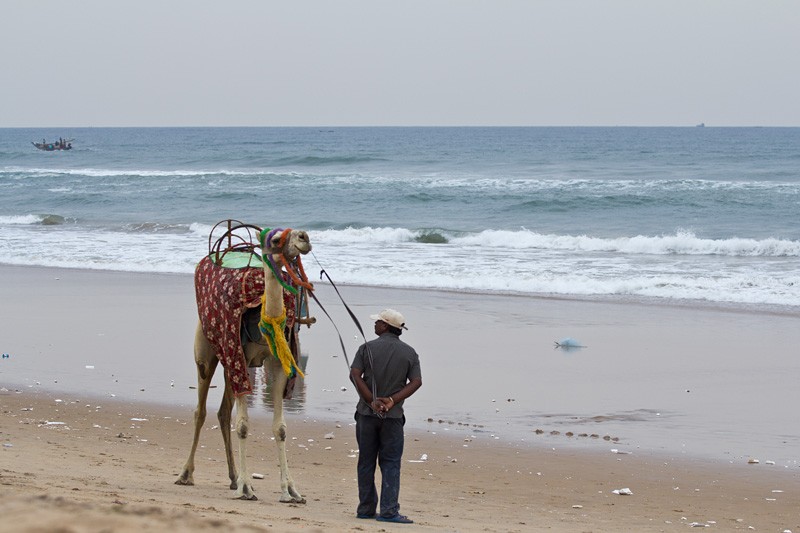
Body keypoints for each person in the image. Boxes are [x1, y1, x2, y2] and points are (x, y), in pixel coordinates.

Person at [350, 308, 422, 524]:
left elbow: (355, 374)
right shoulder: (409, 352)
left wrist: (372, 400)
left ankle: (366, 508)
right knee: (390, 463)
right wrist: (392, 401)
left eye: (378, 322)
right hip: (392, 417)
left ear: (385, 326)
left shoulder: (366, 348)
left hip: (366, 415)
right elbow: (416, 382)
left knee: (366, 461)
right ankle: (389, 510)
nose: (374, 325)